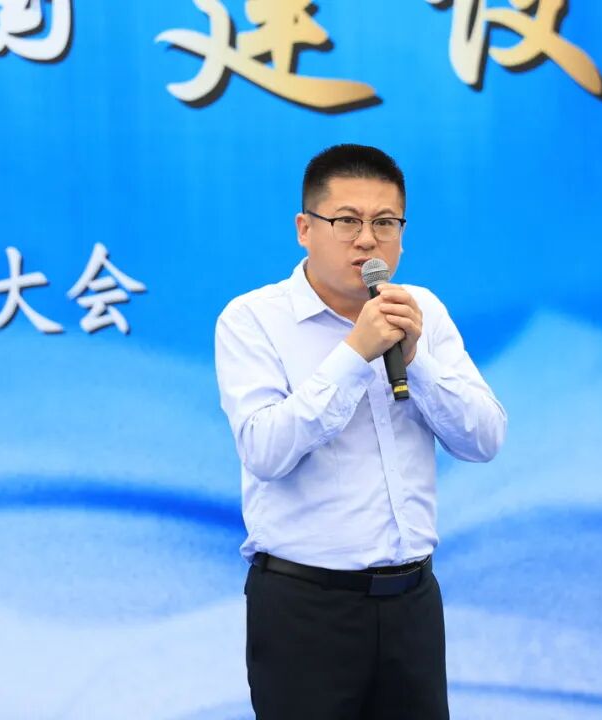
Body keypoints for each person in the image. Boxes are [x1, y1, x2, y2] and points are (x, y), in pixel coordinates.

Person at [214, 144, 506, 719]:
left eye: (385, 222)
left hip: (412, 606)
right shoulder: (252, 320)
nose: (367, 240)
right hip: (305, 610)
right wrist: (355, 354)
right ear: (305, 229)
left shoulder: (421, 311)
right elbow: (264, 451)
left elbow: (485, 438)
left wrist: (415, 360)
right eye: (346, 221)